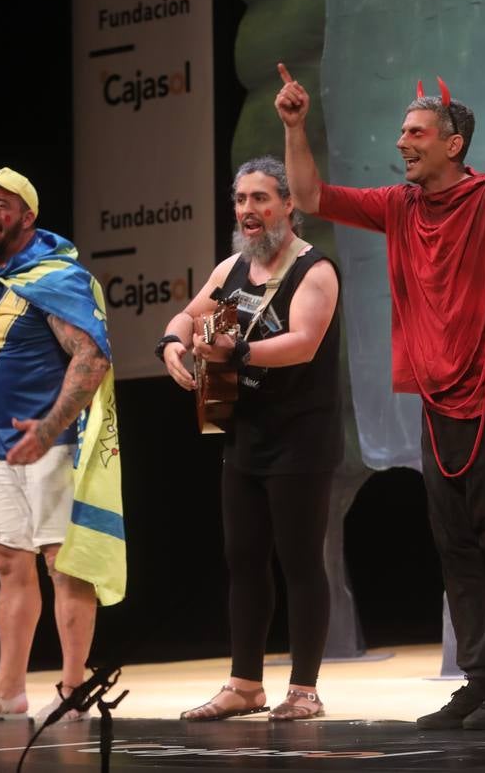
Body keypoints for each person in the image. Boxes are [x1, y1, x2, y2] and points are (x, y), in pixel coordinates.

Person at [274, 63, 485, 731]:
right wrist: (294, 127)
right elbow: (310, 194)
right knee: (457, 550)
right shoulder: (399, 207)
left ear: (453, 143)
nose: (402, 143)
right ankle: (478, 679)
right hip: (439, 402)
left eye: (415, 132)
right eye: (402, 133)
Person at [157, 156, 342, 722]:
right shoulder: (233, 267)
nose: (248, 210)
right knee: (243, 560)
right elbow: (189, 317)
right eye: (240, 200)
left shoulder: (315, 269)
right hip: (245, 437)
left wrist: (236, 352)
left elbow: (304, 343)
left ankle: (304, 690)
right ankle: (245, 684)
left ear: (288, 205)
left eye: (261, 198)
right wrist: (171, 346)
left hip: (300, 438)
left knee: (300, 561)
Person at [0, 168, 120, 725]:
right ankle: (8, 690)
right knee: (6, 559)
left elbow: (91, 358)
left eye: (2, 203)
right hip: (4, 443)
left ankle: (74, 691)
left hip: (55, 443)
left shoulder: (56, 278)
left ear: (28, 217)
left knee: (63, 564)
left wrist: (46, 430)